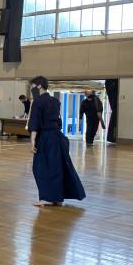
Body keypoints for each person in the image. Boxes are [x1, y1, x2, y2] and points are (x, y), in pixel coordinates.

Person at [27, 76, 86, 207]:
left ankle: (47, 197)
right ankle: (57, 197)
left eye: (32, 87)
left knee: (41, 168)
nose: (32, 90)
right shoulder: (55, 101)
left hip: (45, 137)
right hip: (57, 136)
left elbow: (35, 122)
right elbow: (58, 121)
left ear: (39, 86)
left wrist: (33, 141)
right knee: (57, 167)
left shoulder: (37, 102)